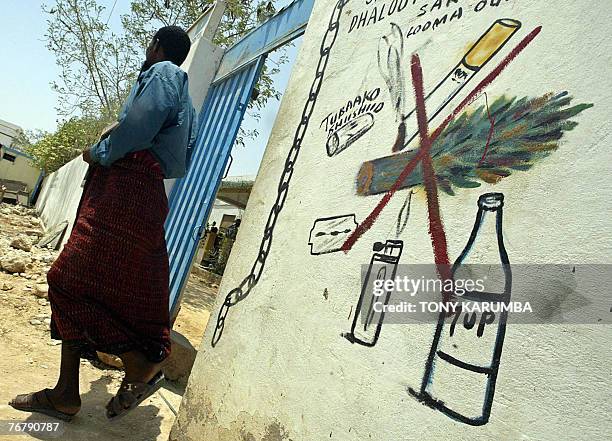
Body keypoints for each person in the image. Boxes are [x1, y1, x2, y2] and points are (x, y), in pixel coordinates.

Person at [9, 26, 198, 421]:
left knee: (68, 279)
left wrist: (101, 150)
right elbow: (179, 158)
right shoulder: (187, 101)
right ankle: (67, 391)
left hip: (124, 193)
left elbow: (141, 125)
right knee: (100, 287)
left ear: (158, 47)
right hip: (142, 194)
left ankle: (133, 365)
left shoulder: (163, 74)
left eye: (150, 44)